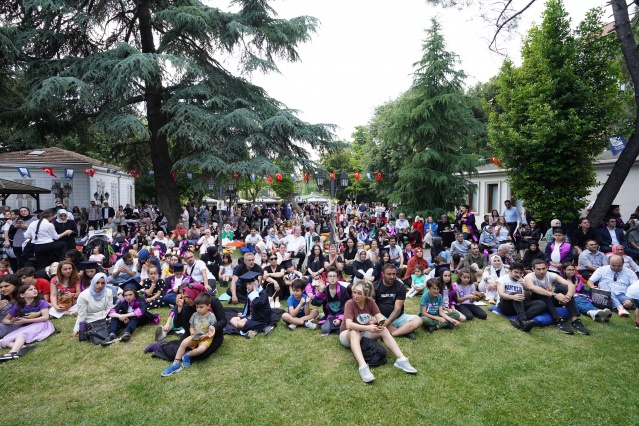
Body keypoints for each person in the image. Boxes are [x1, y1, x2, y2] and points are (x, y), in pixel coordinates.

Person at [340, 280, 417, 383]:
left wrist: (380, 325)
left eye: (359, 293)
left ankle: (401, 360)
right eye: (354, 292)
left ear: (366, 294)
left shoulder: (370, 303)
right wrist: (368, 328)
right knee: (354, 331)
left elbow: (380, 317)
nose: (355, 295)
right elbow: (349, 325)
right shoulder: (349, 303)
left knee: (384, 329)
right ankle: (363, 367)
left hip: (363, 333)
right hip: (347, 335)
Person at [153, 282, 226, 367]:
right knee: (179, 351)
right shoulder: (187, 306)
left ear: (196, 294)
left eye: (188, 297)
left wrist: (214, 326)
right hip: (193, 335)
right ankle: (161, 346)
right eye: (185, 297)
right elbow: (177, 324)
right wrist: (179, 309)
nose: (186, 300)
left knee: (199, 355)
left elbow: (223, 320)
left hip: (212, 336)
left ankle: (174, 347)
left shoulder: (212, 302)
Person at [524, 259, 590, 335]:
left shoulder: (550, 274)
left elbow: (570, 285)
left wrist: (567, 297)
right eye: (538, 269)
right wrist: (555, 295)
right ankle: (558, 319)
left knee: (564, 287)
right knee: (541, 292)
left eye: (543, 268)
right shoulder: (529, 276)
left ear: (547, 268)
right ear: (533, 269)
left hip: (549, 299)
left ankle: (575, 320)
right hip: (536, 302)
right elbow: (532, 287)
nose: (542, 271)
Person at [160, 292, 217, 376]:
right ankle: (176, 364)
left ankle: (188, 355)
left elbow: (211, 331)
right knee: (183, 343)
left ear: (208, 306)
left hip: (206, 338)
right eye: (197, 307)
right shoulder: (194, 315)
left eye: (201, 307)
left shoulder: (211, 316)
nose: (198, 309)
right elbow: (191, 326)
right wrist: (192, 332)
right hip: (195, 336)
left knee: (201, 349)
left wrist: (205, 336)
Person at [0, 283, 55, 360]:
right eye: (30, 289)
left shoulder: (41, 302)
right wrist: (12, 322)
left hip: (40, 324)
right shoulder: (18, 305)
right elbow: (5, 320)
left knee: (21, 335)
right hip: (26, 326)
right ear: (22, 295)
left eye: (34, 289)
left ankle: (12, 352)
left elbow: (45, 317)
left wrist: (27, 320)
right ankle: (24, 348)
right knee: (5, 340)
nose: (34, 290)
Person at [373, 264, 422, 339]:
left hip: (398, 317)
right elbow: (372, 307)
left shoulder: (400, 286)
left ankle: (392, 334)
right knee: (372, 319)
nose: (392, 277)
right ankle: (404, 332)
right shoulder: (375, 286)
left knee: (418, 320)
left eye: (394, 274)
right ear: (383, 274)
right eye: (389, 274)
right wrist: (382, 321)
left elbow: (397, 309)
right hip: (381, 317)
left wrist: (387, 322)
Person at [496, 262, 545, 332]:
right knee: (516, 294)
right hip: (505, 305)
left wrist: (525, 287)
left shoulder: (522, 280)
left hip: (518, 305)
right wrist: (513, 297)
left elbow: (526, 298)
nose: (518, 275)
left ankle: (518, 320)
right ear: (510, 271)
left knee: (541, 303)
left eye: (520, 273)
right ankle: (524, 321)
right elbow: (501, 294)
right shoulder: (502, 279)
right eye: (516, 272)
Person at [230, 271, 274, 338]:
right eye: (247, 284)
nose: (248, 286)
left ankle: (261, 327)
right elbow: (248, 305)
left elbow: (257, 303)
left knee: (239, 324)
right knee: (232, 319)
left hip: (260, 319)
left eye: (250, 284)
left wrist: (255, 289)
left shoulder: (262, 294)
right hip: (252, 316)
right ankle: (255, 329)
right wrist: (244, 314)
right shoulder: (251, 292)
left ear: (256, 283)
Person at [72, 273, 115, 341]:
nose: (100, 286)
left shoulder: (108, 292)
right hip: (92, 319)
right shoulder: (84, 295)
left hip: (106, 317)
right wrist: (77, 329)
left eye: (103, 283)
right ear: (93, 282)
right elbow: (82, 314)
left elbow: (110, 308)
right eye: (97, 283)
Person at [311, 266, 350, 336]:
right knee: (324, 329)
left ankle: (338, 325)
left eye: (334, 276)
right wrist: (321, 290)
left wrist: (340, 319)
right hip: (330, 316)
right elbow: (315, 303)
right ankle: (337, 326)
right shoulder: (325, 290)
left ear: (338, 278)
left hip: (341, 315)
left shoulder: (343, 290)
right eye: (330, 276)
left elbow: (346, 307)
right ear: (326, 278)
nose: (332, 278)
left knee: (346, 324)